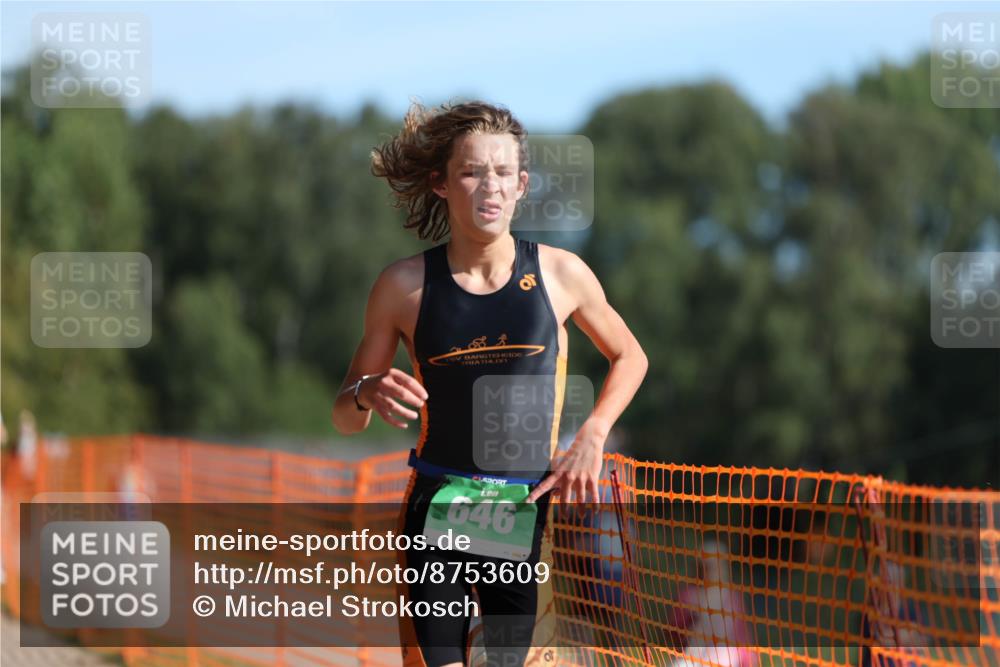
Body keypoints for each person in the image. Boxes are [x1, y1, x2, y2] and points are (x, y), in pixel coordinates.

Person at [331, 100, 648, 667]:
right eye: (472, 172)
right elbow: (345, 417)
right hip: (436, 508)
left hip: (523, 511)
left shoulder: (561, 274)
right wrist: (366, 393)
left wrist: (594, 434)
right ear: (441, 183)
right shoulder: (403, 287)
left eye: (503, 172)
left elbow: (630, 356)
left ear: (522, 185)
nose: (490, 186)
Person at [669, 539, 756, 667]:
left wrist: (748, 661)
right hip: (693, 656)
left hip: (724, 658)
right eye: (707, 566)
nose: (711, 571)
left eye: (715, 566)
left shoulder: (732, 599)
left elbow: (742, 638)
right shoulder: (688, 596)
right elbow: (674, 632)